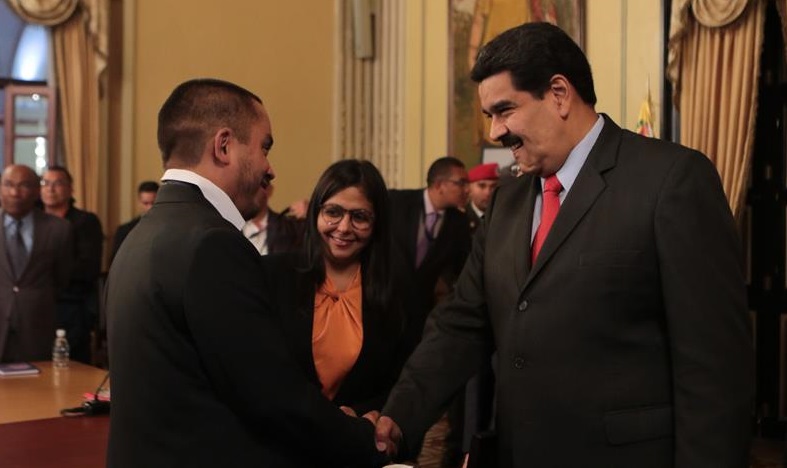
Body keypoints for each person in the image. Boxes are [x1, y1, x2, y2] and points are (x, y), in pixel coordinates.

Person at [375, 22, 752, 467]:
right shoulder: (507, 202)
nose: (494, 132)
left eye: (504, 110)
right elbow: (460, 325)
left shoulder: (671, 181)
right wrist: (396, 420)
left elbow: (714, 370)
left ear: (558, 94)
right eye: (489, 116)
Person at [106, 78, 385, 467]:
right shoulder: (212, 244)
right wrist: (362, 437)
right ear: (224, 146)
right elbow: (270, 394)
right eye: (264, 147)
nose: (270, 169)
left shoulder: (142, 233)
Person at [261, 159, 404, 417]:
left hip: (357, 434)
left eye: (359, 217)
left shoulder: (397, 288)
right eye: (333, 212)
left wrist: (361, 415)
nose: (344, 227)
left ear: (377, 224)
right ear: (315, 213)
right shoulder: (274, 274)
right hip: (279, 432)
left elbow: (401, 380)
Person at [388, 156, 472, 356]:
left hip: (421, 316)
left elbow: (463, 268)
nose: (467, 189)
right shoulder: (395, 202)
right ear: (439, 185)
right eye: (461, 183)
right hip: (385, 305)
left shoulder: (459, 222)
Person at [0, 165, 72, 362]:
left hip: (37, 327)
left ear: (36, 191)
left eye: (23, 186)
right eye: (8, 185)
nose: (14, 193)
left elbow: (62, 279)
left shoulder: (59, 229)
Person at [40, 166, 103, 364]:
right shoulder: (32, 221)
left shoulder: (85, 221)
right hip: (36, 305)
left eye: (57, 183)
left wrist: (43, 270)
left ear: (70, 188)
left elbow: (88, 268)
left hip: (72, 306)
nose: (50, 189)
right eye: (45, 183)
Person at [242, 183, 305, 255]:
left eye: (255, 187)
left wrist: (311, 212)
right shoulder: (235, 228)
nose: (249, 193)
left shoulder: (290, 227)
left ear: (269, 190)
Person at [110, 180, 159, 261]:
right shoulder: (125, 230)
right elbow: (115, 261)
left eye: (153, 203)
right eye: (146, 203)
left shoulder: (168, 228)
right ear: (139, 202)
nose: (150, 208)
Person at [465, 162, 499, 233]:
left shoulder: (504, 217)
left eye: (493, 186)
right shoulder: (460, 218)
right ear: (469, 188)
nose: (488, 193)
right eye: (482, 186)